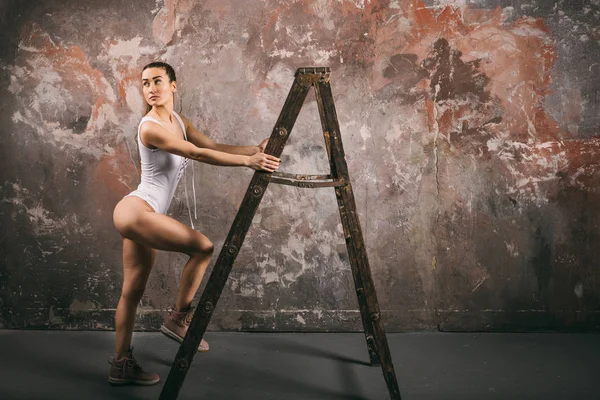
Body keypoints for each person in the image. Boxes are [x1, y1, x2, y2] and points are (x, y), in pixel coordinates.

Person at [108, 61, 280, 386]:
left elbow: (210, 146)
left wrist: (254, 149)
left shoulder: (178, 121)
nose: (151, 88)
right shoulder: (150, 127)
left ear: (173, 85)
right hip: (135, 211)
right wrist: (247, 162)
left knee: (131, 292)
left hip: (145, 216)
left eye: (157, 81)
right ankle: (177, 319)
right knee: (203, 247)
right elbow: (195, 154)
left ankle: (120, 365)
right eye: (145, 84)